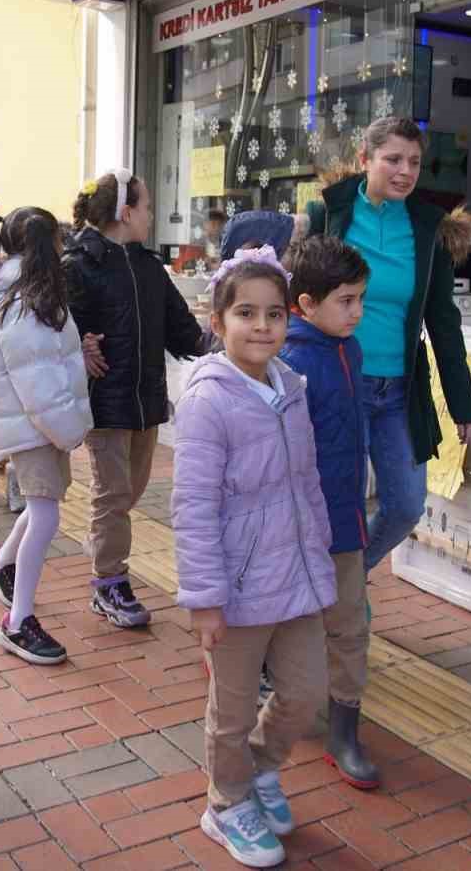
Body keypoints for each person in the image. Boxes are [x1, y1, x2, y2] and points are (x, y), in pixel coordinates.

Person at [171, 245, 336, 869]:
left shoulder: (291, 386)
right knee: (231, 708)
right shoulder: (208, 400)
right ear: (218, 322)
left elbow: (306, 482)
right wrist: (205, 599)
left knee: (304, 690)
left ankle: (262, 770)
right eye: (246, 313)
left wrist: (318, 554)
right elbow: (192, 507)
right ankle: (227, 801)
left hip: (295, 576)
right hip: (236, 589)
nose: (262, 326)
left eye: (273, 314)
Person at [306, 116, 471, 572]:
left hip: (400, 390)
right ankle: (336, 597)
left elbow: (443, 320)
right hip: (340, 381)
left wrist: (463, 404)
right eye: (393, 159)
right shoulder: (330, 215)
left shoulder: (429, 229)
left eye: (415, 162)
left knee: (405, 505)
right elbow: (300, 297)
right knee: (339, 500)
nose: (405, 171)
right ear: (365, 159)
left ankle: (349, 578)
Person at [66, 170, 208, 628]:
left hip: (147, 403)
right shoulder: (77, 265)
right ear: (126, 213)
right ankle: (109, 583)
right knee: (113, 496)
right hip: (104, 404)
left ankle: (103, 552)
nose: (151, 214)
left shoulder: (148, 268)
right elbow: (48, 327)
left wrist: (231, 343)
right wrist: (75, 348)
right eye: (146, 206)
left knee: (127, 497)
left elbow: (183, 331)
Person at [0, 207, 92, 666]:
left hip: (34, 424)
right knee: (46, 517)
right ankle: (17, 622)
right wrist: (69, 429)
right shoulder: (26, 301)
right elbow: (36, 384)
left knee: (43, 506)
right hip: (34, 424)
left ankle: (2, 563)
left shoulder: (16, 290)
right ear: (46, 246)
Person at [279, 236, 377, 789]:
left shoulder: (351, 349)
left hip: (345, 522)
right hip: (297, 527)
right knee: (290, 624)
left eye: (360, 298)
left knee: (349, 625)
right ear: (306, 304)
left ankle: (345, 730)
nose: (357, 311)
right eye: (345, 300)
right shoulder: (289, 361)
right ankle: (280, 699)